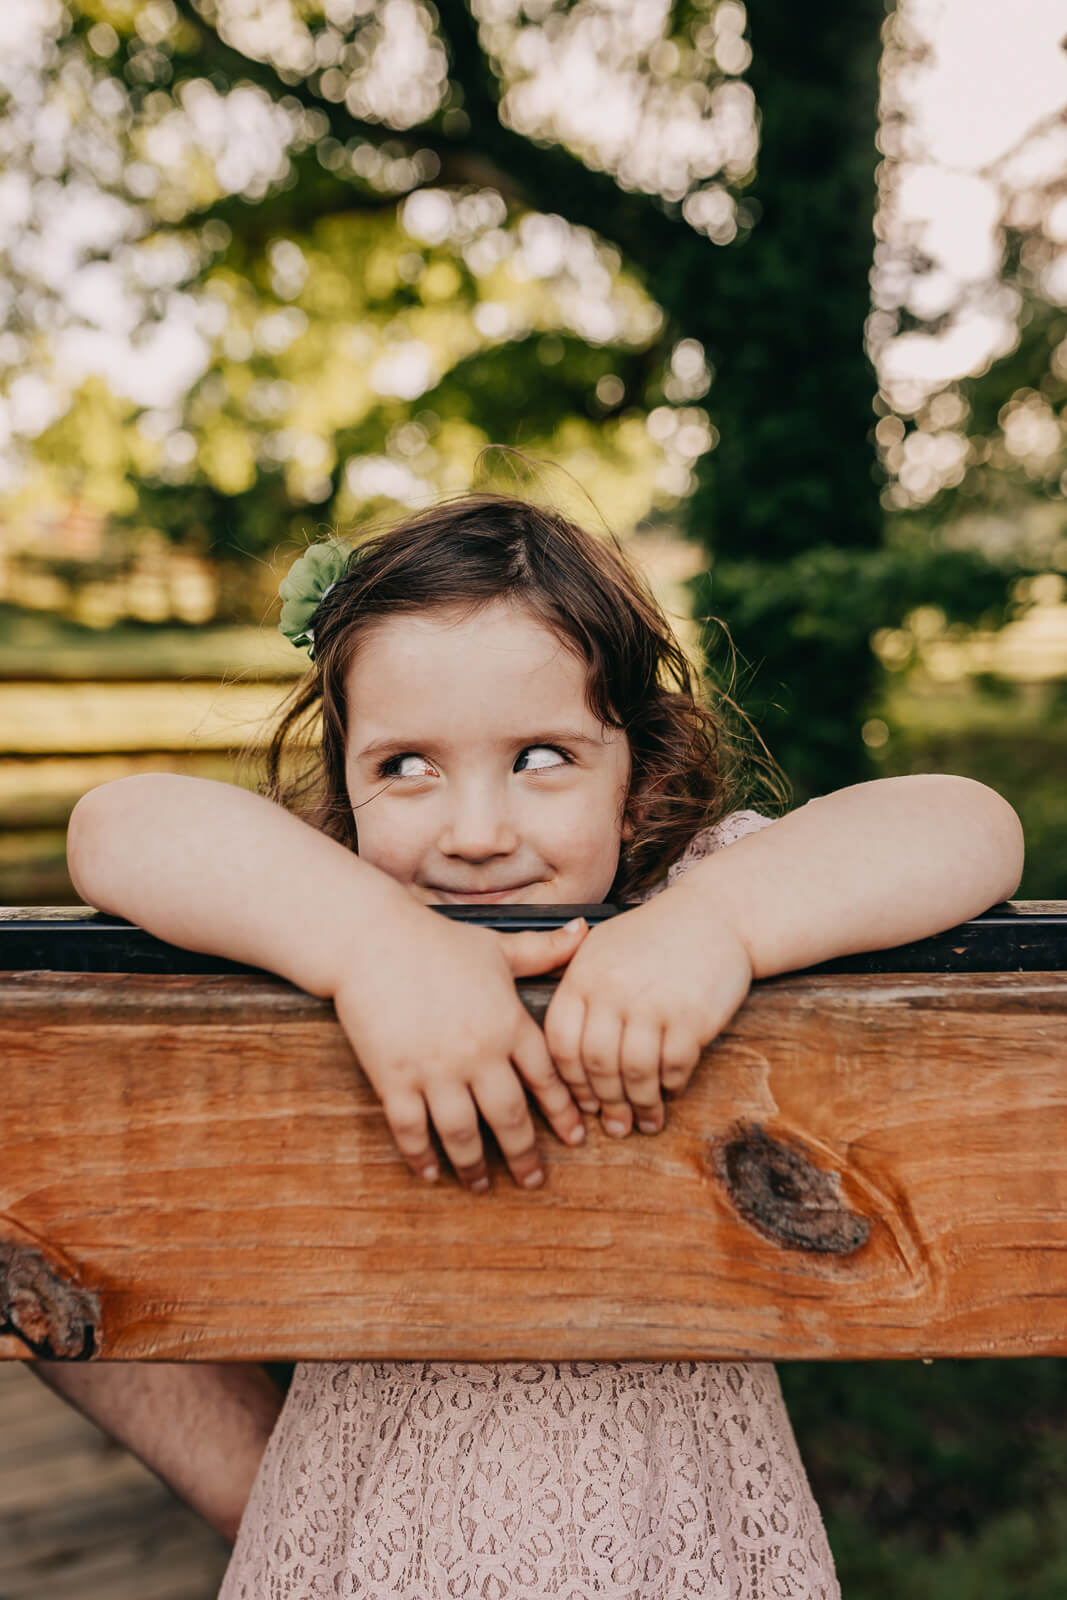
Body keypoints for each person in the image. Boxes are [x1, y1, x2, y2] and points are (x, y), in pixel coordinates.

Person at [55, 490, 1023, 1598]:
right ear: (349, 787)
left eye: (542, 757)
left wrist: (714, 925)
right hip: (361, 1536)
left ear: (633, 773)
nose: (474, 833)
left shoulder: (683, 900)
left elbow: (967, 822)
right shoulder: (317, 913)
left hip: (671, 1533)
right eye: (405, 765)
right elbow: (116, 824)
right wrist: (369, 944)